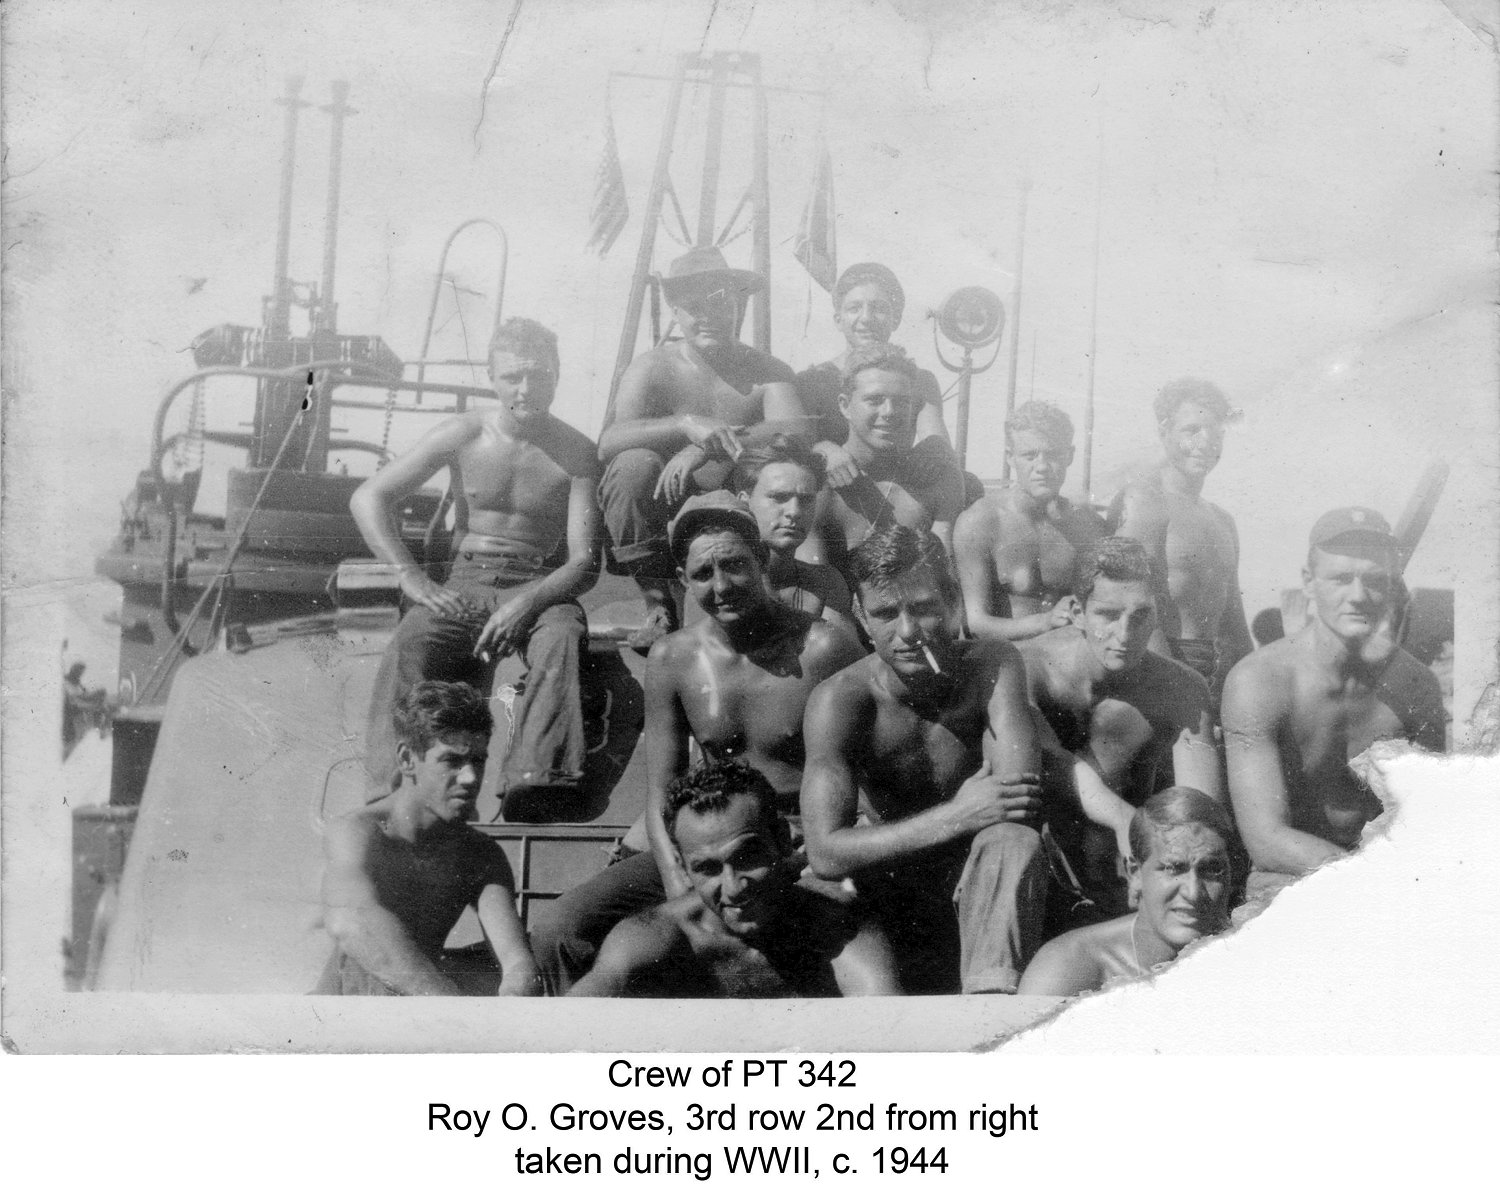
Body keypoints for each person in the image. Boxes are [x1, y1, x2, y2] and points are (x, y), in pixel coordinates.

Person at [529, 493, 865, 992]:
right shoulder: (673, 658)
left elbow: (869, 772)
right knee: (558, 930)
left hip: (801, 843)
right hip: (707, 844)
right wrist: (678, 881)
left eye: (735, 565)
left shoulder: (824, 648)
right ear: (683, 580)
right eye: (703, 574)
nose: (722, 586)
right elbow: (660, 794)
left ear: (762, 561)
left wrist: (814, 855)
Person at [352, 317, 600, 813]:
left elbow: (583, 560)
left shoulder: (578, 454)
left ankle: (537, 779)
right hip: (464, 578)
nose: (526, 389)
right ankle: (392, 789)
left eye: (539, 375)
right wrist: (411, 576)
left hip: (536, 581)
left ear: (557, 375)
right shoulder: (463, 433)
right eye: (512, 377)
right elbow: (368, 497)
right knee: (412, 641)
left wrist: (527, 604)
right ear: (492, 377)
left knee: (563, 636)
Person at [800, 524, 1051, 994]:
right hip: (889, 878)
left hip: (971, 870)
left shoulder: (992, 665)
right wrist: (959, 814)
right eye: (885, 613)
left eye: (923, 608)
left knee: (1012, 841)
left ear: (953, 602)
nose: (908, 632)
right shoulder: (841, 700)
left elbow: (1017, 799)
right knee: (814, 890)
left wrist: (962, 820)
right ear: (860, 616)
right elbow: (825, 852)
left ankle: (987, 1006)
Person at [1221, 507, 1446, 922]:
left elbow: (1427, 820)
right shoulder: (1260, 680)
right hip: (1289, 880)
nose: (1358, 595)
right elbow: (1266, 839)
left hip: (1385, 882)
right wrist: (1365, 880)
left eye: (1374, 580)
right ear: (1309, 582)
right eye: (1341, 578)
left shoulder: (1416, 686)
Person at [597, 246, 815, 648]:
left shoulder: (767, 371)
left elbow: (797, 432)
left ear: (738, 306)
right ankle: (659, 604)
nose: (707, 317)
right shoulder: (652, 366)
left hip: (739, 504)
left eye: (719, 303)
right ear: (675, 312)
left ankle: (764, 601)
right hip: (670, 501)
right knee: (631, 466)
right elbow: (609, 442)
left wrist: (706, 448)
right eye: (694, 307)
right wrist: (685, 424)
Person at [568, 761, 901, 998]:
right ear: (683, 868)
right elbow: (568, 1025)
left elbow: (888, 1037)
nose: (733, 888)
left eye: (747, 857)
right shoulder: (653, 939)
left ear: (782, 841)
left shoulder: (837, 931)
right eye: (708, 868)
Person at [1019, 536, 1224, 912]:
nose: (1125, 634)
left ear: (1159, 614)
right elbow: (1048, 757)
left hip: (1123, 875)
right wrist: (1124, 818)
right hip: (1039, 870)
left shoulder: (1182, 689)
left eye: (1141, 616)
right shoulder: (1027, 668)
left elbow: (1199, 809)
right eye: (1108, 615)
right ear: (1078, 612)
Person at [317, 682, 540, 996]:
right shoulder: (359, 832)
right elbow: (348, 921)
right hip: (348, 1008)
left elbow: (516, 962)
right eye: (451, 761)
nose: (471, 778)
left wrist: (516, 996)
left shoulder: (481, 854)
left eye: (478, 760)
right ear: (407, 759)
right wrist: (449, 1005)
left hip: (424, 1005)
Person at [1017, 787, 1238, 997]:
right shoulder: (1070, 968)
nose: (1193, 892)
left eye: (1212, 870)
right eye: (1173, 869)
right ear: (1135, 874)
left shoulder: (1243, 958)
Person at [1111, 378, 1253, 697]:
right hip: (1158, 667)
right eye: (1191, 430)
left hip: (1214, 670)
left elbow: (1235, 622)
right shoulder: (1145, 504)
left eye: (1215, 432)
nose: (1204, 443)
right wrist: (1176, 688)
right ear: (1164, 432)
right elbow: (1132, 604)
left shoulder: (1223, 521)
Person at [955, 401, 1106, 642]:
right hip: (1007, 656)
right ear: (1010, 457)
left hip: (1068, 655)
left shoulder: (1088, 526)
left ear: (1070, 455)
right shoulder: (981, 522)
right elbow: (976, 624)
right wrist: (1046, 621)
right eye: (1029, 455)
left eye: (1053, 454)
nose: (1042, 467)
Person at [807, 344, 966, 570]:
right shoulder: (820, 482)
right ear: (845, 406)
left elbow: (944, 579)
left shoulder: (937, 481)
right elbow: (809, 581)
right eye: (874, 400)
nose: (889, 411)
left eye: (902, 402)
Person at [795, 261, 951, 477]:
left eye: (879, 309)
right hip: (832, 487)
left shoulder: (919, 380)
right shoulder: (812, 380)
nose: (867, 318)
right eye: (854, 308)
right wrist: (825, 449)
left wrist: (933, 450)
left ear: (896, 319)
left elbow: (935, 443)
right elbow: (798, 445)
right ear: (838, 320)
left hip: (896, 487)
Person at [727, 436, 856, 634]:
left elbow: (845, 651)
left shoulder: (826, 582)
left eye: (806, 500)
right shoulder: (720, 581)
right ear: (744, 503)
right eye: (779, 497)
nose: (794, 511)